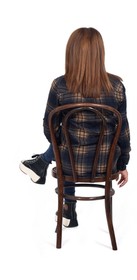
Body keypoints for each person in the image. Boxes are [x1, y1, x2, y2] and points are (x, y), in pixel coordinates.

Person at [19, 27, 131, 228]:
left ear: (71, 52)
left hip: (69, 164)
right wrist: (123, 164)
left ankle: (54, 182)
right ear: (100, 53)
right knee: (66, 139)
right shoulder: (116, 87)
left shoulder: (60, 85)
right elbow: (123, 133)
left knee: (63, 137)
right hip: (106, 166)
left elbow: (49, 129)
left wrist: (64, 139)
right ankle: (67, 208)